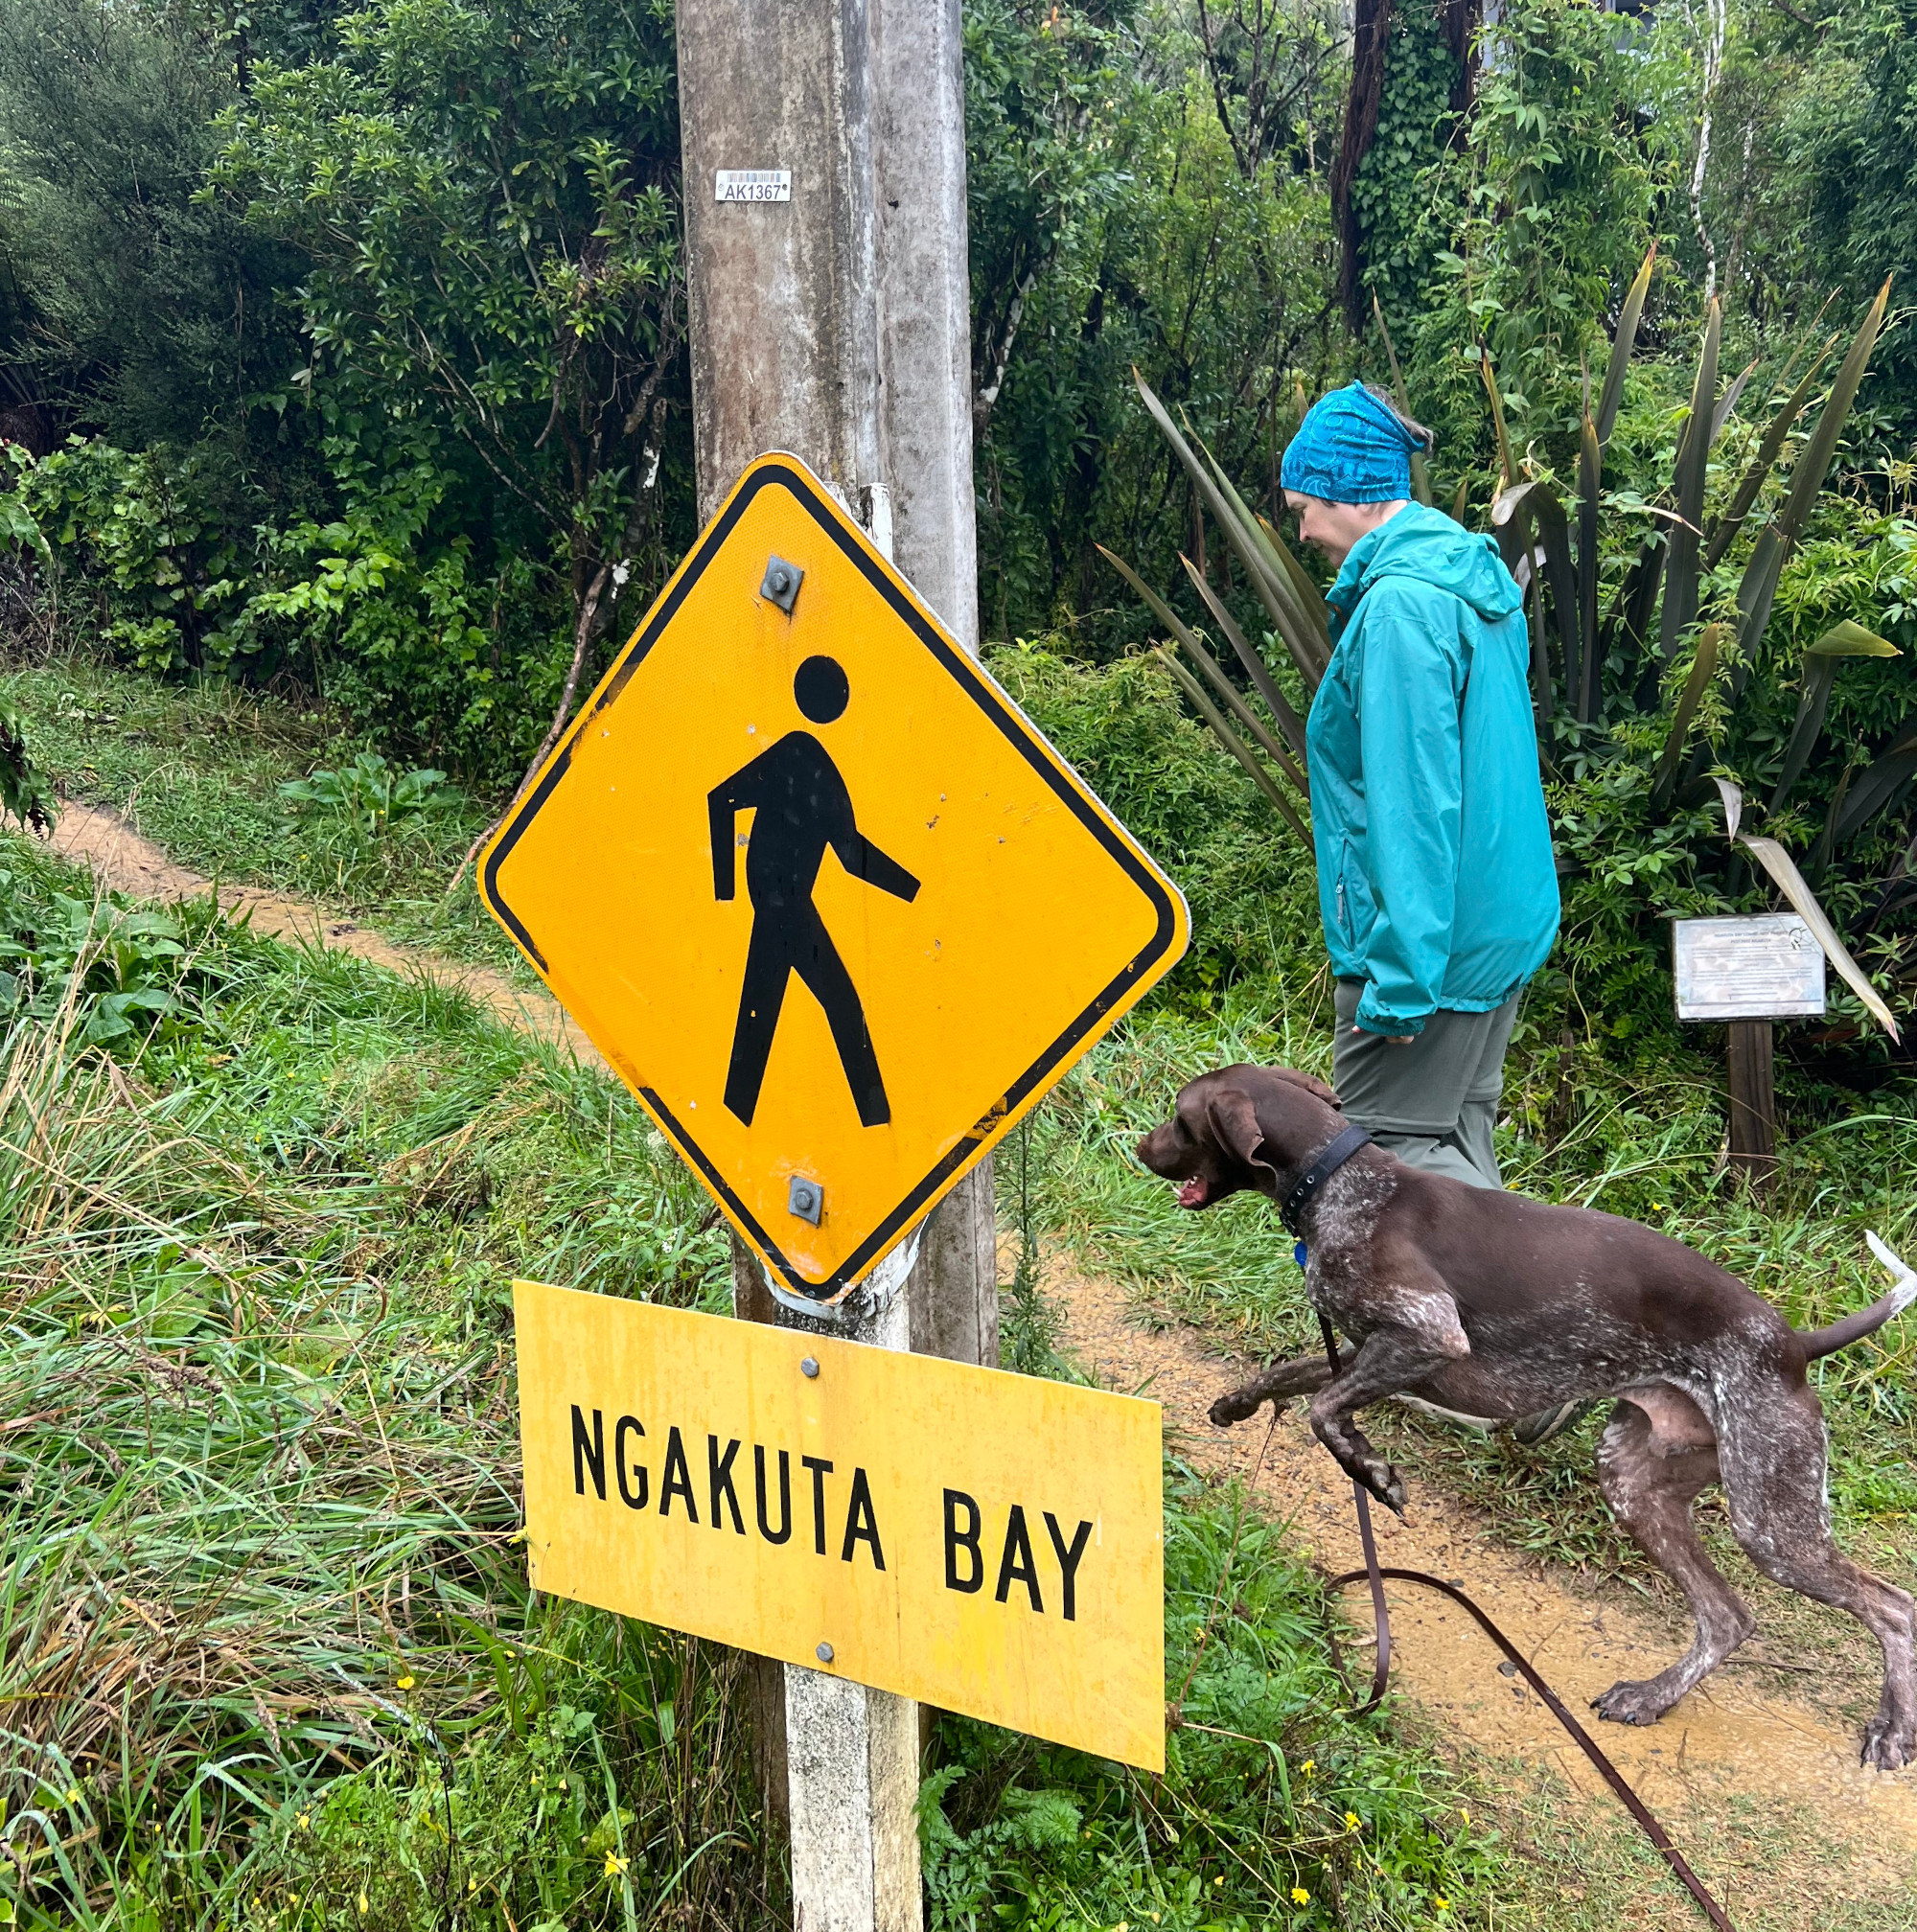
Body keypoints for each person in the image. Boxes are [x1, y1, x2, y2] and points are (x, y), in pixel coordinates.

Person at [1282, 381, 1576, 1445]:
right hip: (1495, 921)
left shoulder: (1404, 608)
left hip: (1431, 945)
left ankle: (1533, 1372)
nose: (1301, 530)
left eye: (1304, 505)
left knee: (1370, 1161)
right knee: (1456, 1145)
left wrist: (1398, 979)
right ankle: (1541, 1366)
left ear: (1350, 494)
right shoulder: (1468, 584)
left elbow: (1412, 803)